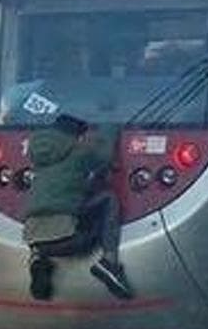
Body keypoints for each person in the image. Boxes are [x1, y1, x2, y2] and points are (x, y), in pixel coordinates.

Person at [24, 113, 133, 301]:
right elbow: (105, 156)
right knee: (108, 199)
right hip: (69, 238)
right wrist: (110, 125)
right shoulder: (79, 151)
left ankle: (38, 261)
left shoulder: (36, 154)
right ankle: (109, 263)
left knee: (45, 206)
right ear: (77, 135)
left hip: (34, 240)